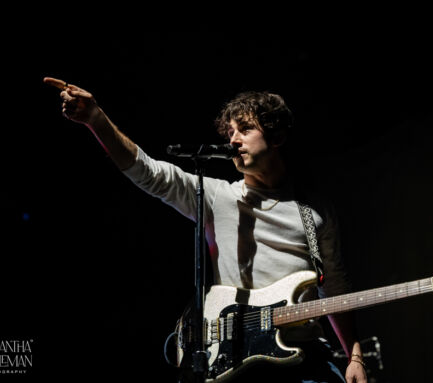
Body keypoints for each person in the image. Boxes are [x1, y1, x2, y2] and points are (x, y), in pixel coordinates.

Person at [43, 76, 368, 383]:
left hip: (305, 355)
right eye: (229, 132)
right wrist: (97, 120)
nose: (233, 139)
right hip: (241, 356)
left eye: (245, 128)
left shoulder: (314, 211)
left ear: (277, 136)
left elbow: (335, 287)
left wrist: (355, 355)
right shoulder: (217, 197)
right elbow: (148, 172)